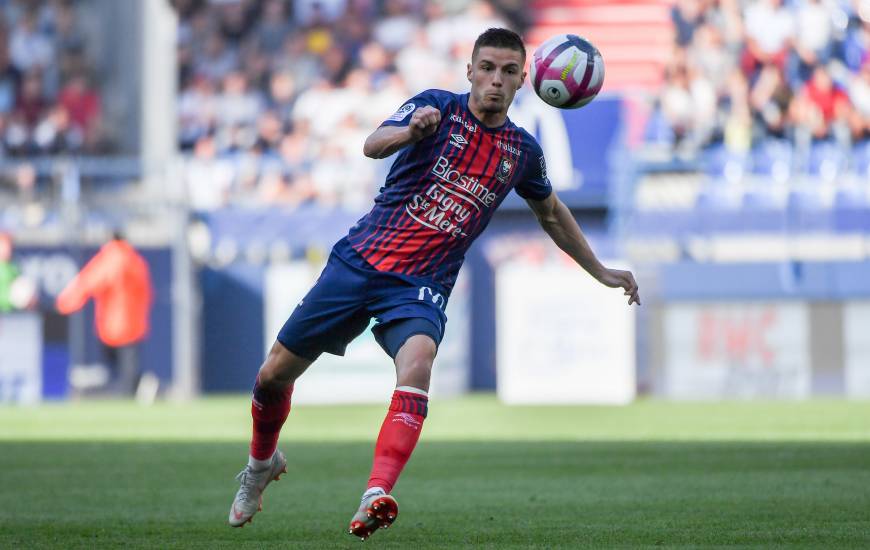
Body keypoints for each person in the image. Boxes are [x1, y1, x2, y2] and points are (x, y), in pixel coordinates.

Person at [227, 28, 641, 540]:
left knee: (418, 363)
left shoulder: (521, 153)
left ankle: (375, 493)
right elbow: (372, 144)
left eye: (509, 72)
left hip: (422, 283)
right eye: (487, 68)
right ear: (469, 70)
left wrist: (602, 271)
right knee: (272, 376)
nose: (496, 80)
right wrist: (410, 132)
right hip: (360, 262)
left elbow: (552, 214)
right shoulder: (435, 109)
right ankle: (260, 464)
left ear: (524, 82)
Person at [56, 231, 154, 395]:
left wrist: (66, 302)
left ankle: (131, 391)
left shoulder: (112, 259)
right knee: (128, 363)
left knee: (119, 366)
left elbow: (90, 282)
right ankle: (139, 387)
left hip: (114, 321)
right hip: (134, 321)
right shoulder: (136, 260)